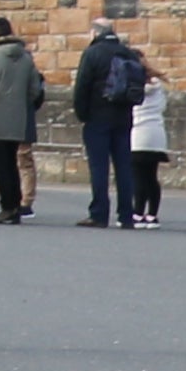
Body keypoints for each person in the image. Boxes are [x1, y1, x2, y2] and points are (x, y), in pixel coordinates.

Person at [73, 18, 146, 227]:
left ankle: (99, 213)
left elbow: (82, 86)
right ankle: (126, 214)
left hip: (98, 115)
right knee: (123, 166)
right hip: (124, 115)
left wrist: (82, 114)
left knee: (99, 166)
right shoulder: (128, 52)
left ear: (95, 33)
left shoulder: (93, 53)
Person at [0, 16, 44, 223]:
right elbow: (34, 90)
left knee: (0, 163)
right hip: (18, 117)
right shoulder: (27, 59)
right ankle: (15, 205)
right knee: (12, 162)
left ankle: (7, 207)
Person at [126, 60, 171, 228]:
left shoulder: (133, 88)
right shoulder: (158, 87)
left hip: (138, 134)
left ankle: (137, 213)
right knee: (151, 176)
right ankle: (152, 215)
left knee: (138, 177)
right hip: (156, 134)